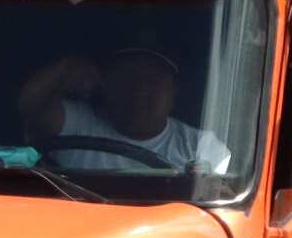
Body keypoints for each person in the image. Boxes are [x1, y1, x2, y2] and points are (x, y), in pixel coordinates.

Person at [18, 48, 232, 174]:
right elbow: (29, 107)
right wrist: (64, 70)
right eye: (127, 79)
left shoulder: (201, 148)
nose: (139, 91)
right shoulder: (75, 121)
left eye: (153, 82)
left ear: (174, 92)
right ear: (106, 85)